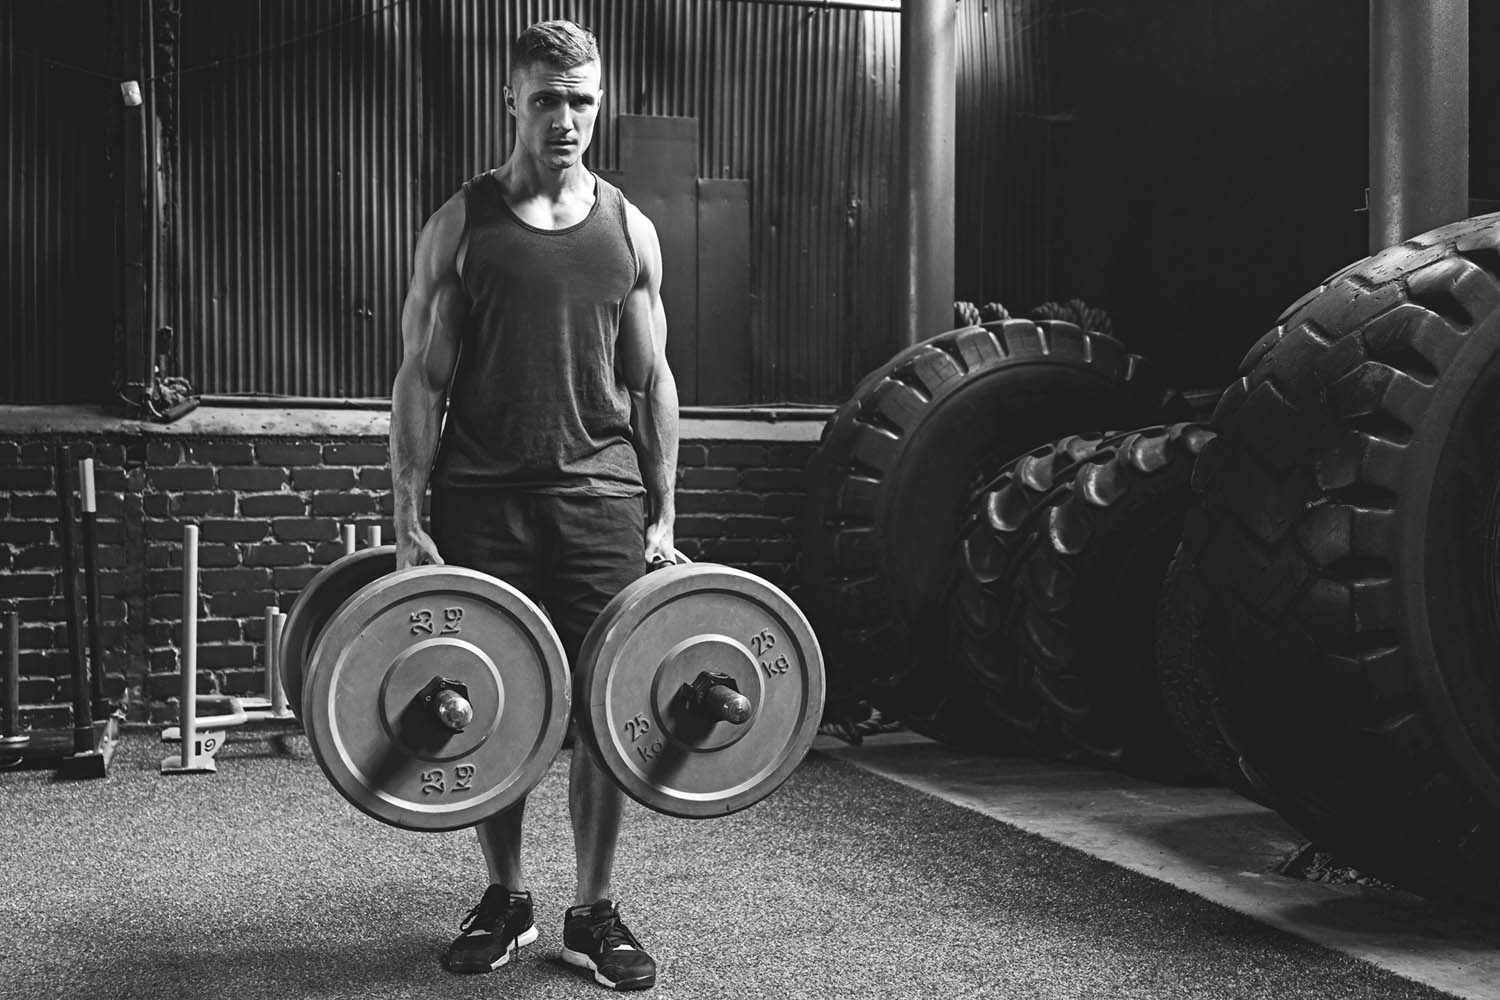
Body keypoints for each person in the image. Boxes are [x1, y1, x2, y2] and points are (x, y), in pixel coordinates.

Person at [388, 18, 678, 993]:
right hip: (484, 498)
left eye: (583, 101)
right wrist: (409, 517)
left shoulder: (627, 228)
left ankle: (591, 909)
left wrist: (664, 518)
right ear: (512, 101)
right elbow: (421, 382)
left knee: (602, 712)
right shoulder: (462, 225)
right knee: (493, 708)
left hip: (601, 496)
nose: (567, 119)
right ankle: (504, 894)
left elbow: (651, 383)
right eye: (548, 100)